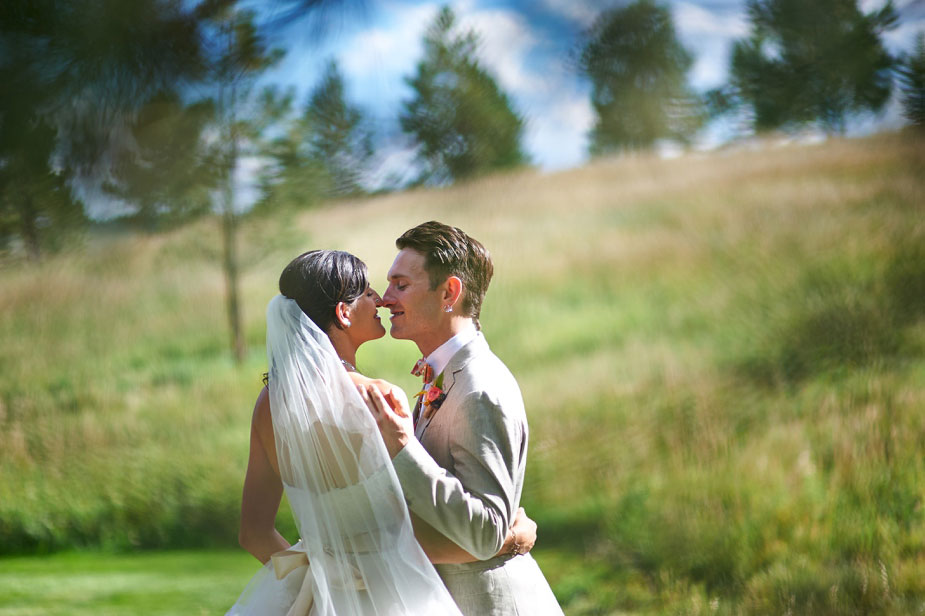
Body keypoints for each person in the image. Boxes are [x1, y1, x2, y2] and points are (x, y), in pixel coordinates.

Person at [228, 249, 535, 615]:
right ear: (343, 312)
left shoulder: (269, 403)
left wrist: (323, 579)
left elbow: (254, 533)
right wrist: (510, 540)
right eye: (368, 291)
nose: (380, 299)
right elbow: (404, 537)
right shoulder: (378, 397)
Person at [360, 222, 562, 615]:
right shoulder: (445, 374)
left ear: (450, 292)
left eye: (401, 285)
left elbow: (486, 530)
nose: (384, 299)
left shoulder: (480, 388)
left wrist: (402, 448)